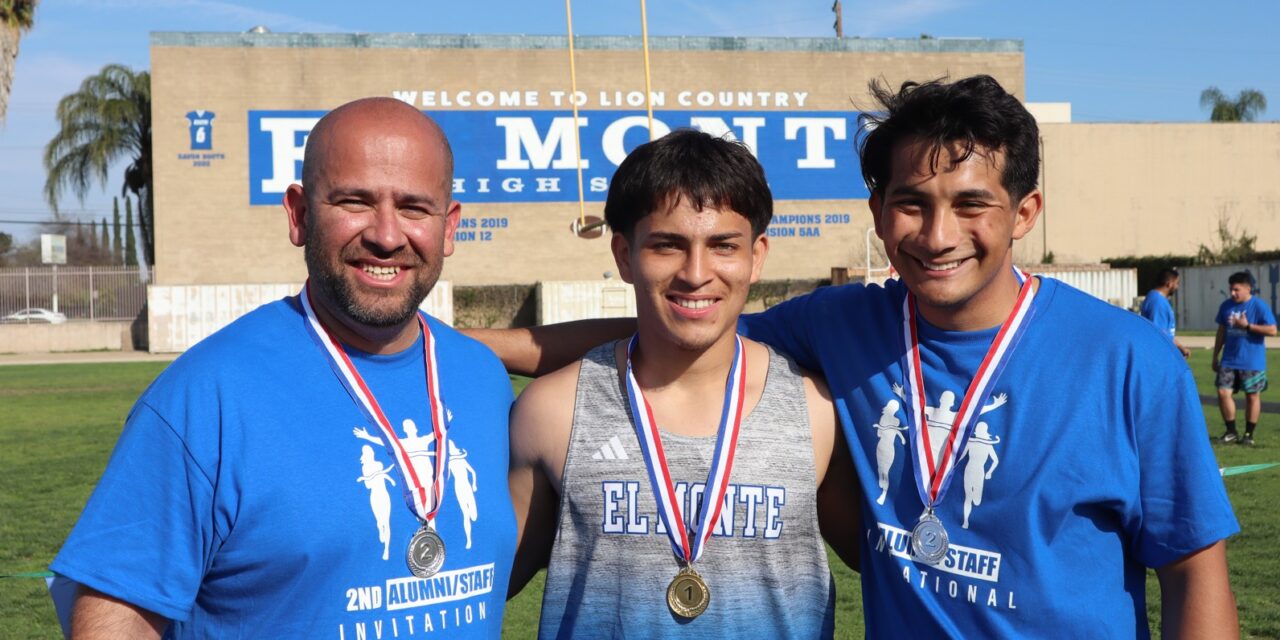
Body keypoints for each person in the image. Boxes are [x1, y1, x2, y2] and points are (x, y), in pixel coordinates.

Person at [471, 76, 1240, 637]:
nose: (938, 235)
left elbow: (1193, 572)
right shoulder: (844, 326)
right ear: (878, 213)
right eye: (912, 202)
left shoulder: (1130, 359)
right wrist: (457, 350)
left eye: (972, 204)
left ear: (1025, 213)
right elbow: (685, 317)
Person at [51, 98, 516, 639]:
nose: (387, 235)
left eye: (414, 208)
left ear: (449, 225)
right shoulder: (206, 396)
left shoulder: (483, 379)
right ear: (299, 214)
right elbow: (115, 621)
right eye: (354, 201)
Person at [507, 130, 858, 638]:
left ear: (756, 256)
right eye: (668, 245)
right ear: (625, 255)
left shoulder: (817, 408)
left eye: (723, 245)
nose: (696, 273)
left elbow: (890, 569)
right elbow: (477, 587)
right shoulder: (552, 410)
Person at [1213, 271, 1277, 446]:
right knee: (1222, 392)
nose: (1233, 293)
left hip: (1252, 361)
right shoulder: (1226, 306)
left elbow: (1272, 330)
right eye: (1231, 289)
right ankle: (1231, 431)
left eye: (1236, 289)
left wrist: (1247, 326)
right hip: (1228, 360)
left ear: (1248, 288)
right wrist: (1215, 355)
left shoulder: (1258, 306)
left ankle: (1249, 434)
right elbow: (1221, 332)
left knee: (1252, 396)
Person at [1141, 267, 1191, 357]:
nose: (1177, 287)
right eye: (1177, 283)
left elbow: (1167, 333)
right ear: (1169, 284)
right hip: (1158, 357)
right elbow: (1159, 334)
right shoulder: (1157, 302)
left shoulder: (1158, 299)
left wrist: (1180, 348)